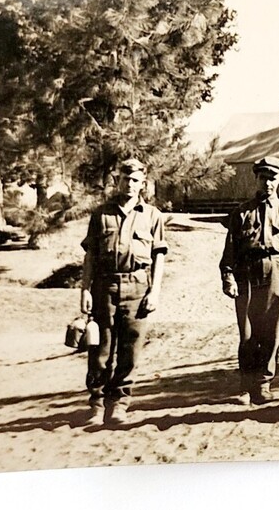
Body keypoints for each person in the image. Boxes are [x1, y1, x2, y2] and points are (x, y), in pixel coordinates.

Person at [79, 159, 168, 427]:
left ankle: (119, 403)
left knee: (131, 349)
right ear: (117, 181)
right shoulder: (101, 214)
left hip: (138, 285)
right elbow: (90, 256)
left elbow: (159, 255)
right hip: (104, 286)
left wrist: (155, 291)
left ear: (143, 184)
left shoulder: (152, 215)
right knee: (100, 349)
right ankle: (97, 404)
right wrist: (85, 290)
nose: (129, 184)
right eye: (125, 179)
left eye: (135, 180)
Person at [220, 156, 279, 405]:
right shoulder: (240, 213)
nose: (268, 183)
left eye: (272, 178)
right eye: (263, 178)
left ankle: (263, 384)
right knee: (247, 334)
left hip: (277, 272)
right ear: (256, 179)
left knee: (271, 332)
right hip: (247, 273)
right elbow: (229, 252)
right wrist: (228, 277)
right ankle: (246, 387)